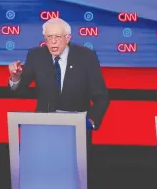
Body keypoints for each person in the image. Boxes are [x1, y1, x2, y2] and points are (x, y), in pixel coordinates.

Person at [8, 17, 110, 186]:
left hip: (75, 132)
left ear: (68, 38)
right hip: (42, 132)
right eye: (49, 38)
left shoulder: (86, 57)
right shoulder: (36, 55)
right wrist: (15, 77)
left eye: (57, 37)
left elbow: (101, 96)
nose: (53, 42)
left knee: (71, 180)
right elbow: (19, 90)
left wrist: (91, 121)